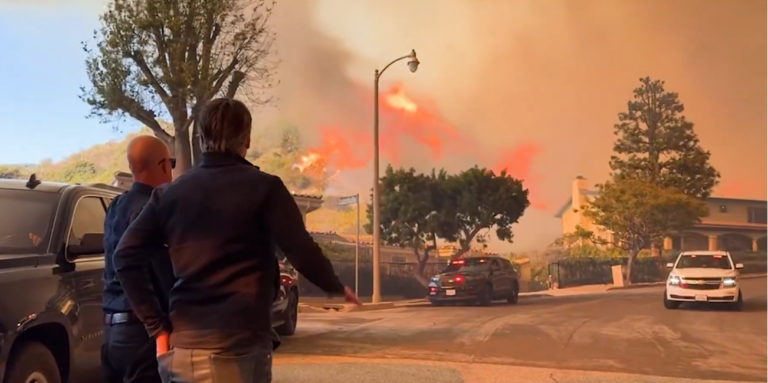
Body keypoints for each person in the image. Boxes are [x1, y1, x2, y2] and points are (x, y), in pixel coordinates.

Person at [113, 98, 360, 383]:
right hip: (238, 342)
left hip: (190, 345)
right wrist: (336, 286)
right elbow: (301, 251)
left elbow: (124, 257)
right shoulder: (265, 188)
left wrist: (158, 328)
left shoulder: (170, 194)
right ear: (247, 139)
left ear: (202, 138)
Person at [101, 135, 176, 383]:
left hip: (113, 332)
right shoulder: (153, 209)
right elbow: (158, 271)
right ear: (164, 165)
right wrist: (162, 329)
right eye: (171, 163)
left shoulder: (115, 206)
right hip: (144, 332)